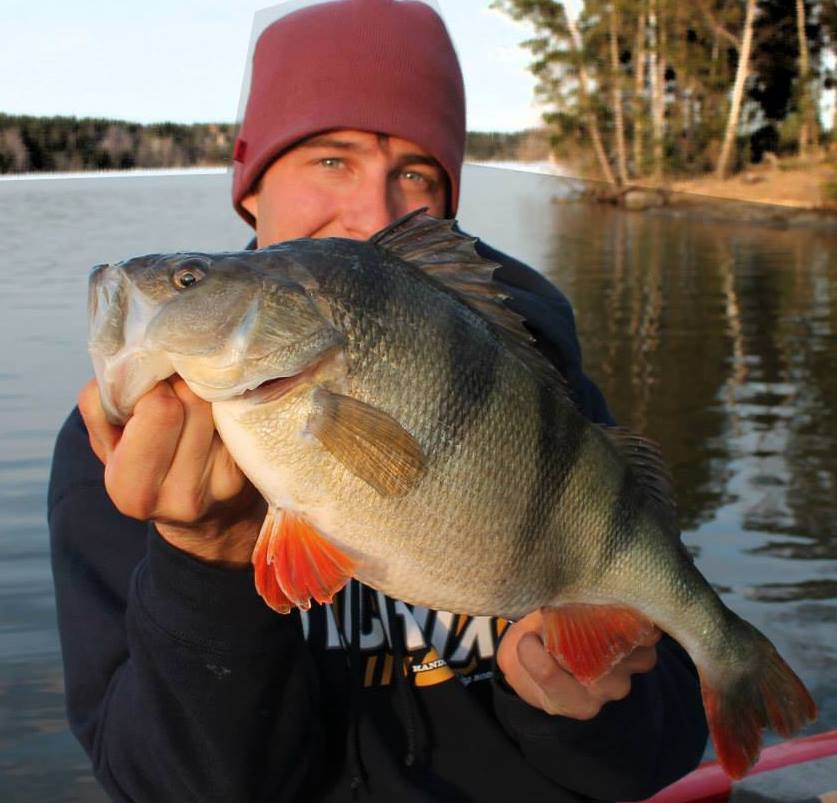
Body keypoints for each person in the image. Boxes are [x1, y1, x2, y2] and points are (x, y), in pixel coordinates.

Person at [48, 1, 708, 800]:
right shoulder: (126, 455)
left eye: (415, 174)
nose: (373, 211)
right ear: (249, 188)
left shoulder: (538, 385)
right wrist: (203, 563)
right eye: (331, 159)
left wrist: (583, 708)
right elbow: (164, 785)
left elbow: (665, 743)